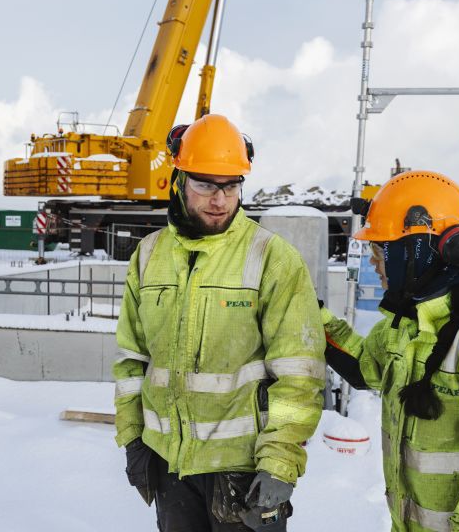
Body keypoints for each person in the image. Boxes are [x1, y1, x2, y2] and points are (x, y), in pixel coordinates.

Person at [113, 114, 326, 531]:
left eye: (231, 186)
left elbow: (299, 374)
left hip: (244, 473)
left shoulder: (271, 258)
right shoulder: (148, 255)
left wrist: (280, 462)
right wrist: (133, 438)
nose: (220, 199)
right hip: (170, 466)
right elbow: (130, 360)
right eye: (205, 185)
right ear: (178, 180)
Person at [322, 170, 459, 532]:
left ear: (417, 252)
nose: (375, 262)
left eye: (381, 250)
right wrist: (310, 317)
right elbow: (365, 366)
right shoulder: (411, 320)